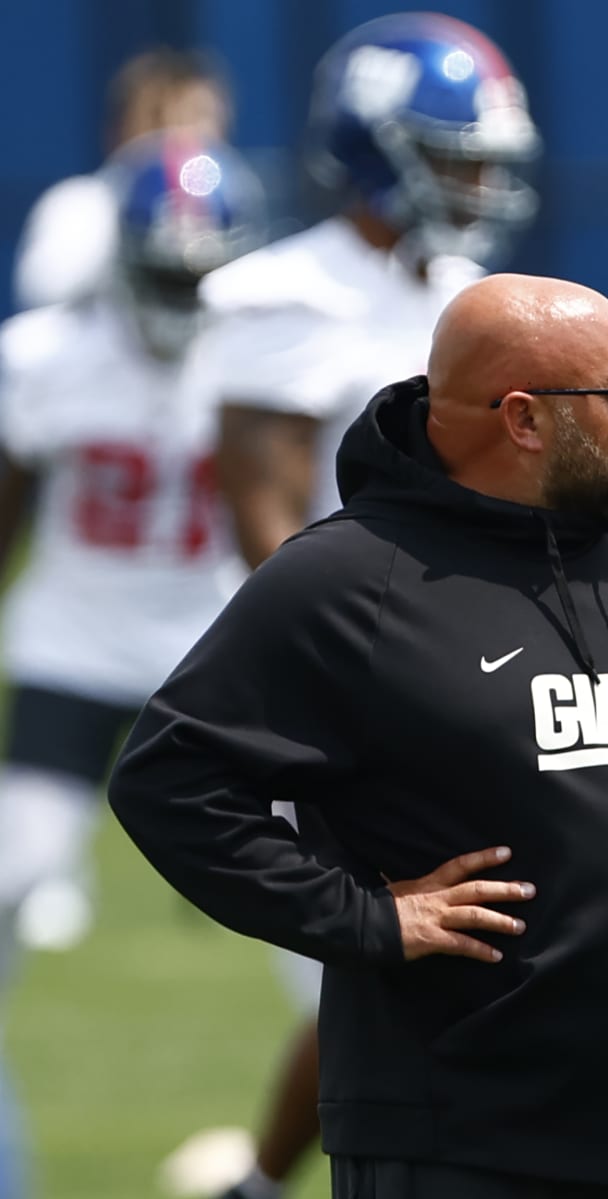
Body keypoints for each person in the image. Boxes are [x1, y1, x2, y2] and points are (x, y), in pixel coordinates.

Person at [109, 272, 608, 1199]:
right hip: (477, 1148)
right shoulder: (348, 582)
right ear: (525, 419)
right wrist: (366, 917)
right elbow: (170, 779)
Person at [159, 15, 543, 1199]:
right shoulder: (282, 294)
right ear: (373, 150)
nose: (477, 181)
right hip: (338, 684)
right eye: (451, 153)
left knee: (458, 958)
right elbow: (266, 520)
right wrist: (383, 670)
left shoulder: (462, 289)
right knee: (386, 966)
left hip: (470, 666)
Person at [0, 131, 264, 1199]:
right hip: (73, 642)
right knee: (13, 880)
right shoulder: (43, 357)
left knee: (322, 910)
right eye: (168, 268)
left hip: (210, 653)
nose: (184, 292)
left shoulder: (263, 348)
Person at [12, 47, 232, 311]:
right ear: (117, 131)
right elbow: (43, 293)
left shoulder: (240, 204)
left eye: (200, 117)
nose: (182, 136)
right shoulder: (84, 203)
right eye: (158, 119)